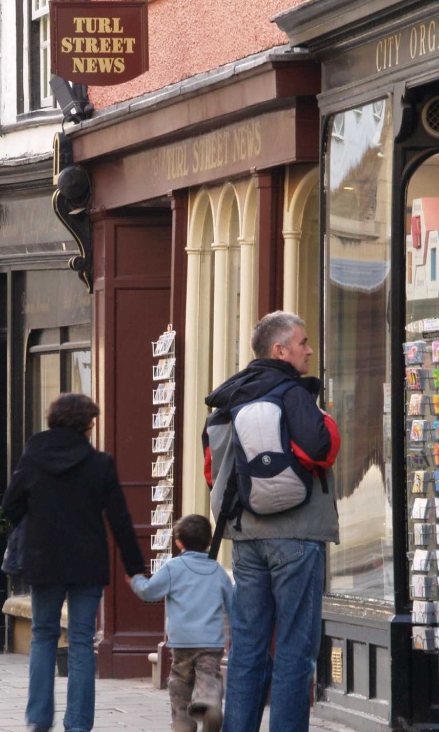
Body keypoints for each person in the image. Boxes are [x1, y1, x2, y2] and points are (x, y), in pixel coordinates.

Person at [205, 311, 340, 732]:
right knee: (296, 651)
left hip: (246, 538)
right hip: (297, 536)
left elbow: (214, 471)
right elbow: (320, 447)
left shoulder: (227, 397)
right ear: (280, 350)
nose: (309, 350)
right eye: (302, 342)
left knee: (248, 647)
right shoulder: (290, 392)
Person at [2, 393, 145, 732]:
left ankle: (38, 717)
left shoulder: (33, 456)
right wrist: (134, 567)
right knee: (81, 641)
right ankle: (78, 725)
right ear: (87, 426)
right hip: (86, 563)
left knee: (43, 635)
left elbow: (10, 505)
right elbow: (120, 519)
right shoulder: (100, 464)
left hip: (44, 559)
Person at [129, 514, 233, 732]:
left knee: (180, 683)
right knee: (209, 675)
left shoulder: (172, 568)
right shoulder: (219, 572)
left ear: (178, 542)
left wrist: (136, 580)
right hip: (211, 642)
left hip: (181, 640)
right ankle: (211, 704)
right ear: (210, 541)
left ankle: (182, 723)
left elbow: (149, 591)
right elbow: (233, 607)